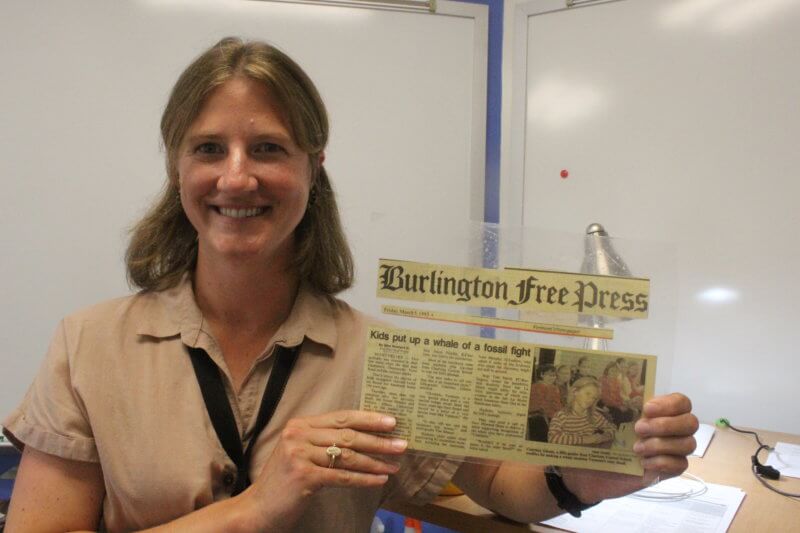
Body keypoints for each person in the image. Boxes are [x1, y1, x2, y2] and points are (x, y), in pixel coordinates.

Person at [2, 38, 698, 531]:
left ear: (314, 164)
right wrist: (254, 508)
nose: (236, 176)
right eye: (209, 147)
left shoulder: (381, 351)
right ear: (177, 165)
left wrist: (580, 480)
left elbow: (498, 485)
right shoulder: (88, 344)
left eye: (268, 148)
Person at [548, 377, 616, 447]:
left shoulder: (594, 415)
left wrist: (604, 437)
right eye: (588, 394)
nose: (590, 399)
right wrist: (586, 439)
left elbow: (612, 428)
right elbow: (552, 438)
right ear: (575, 392)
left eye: (593, 398)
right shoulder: (561, 415)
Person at [600, 361, 635, 426]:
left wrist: (622, 403)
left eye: (616, 371)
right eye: (612, 371)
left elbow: (618, 396)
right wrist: (619, 406)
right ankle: (616, 430)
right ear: (607, 371)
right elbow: (606, 398)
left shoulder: (616, 381)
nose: (614, 373)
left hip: (615, 404)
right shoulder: (603, 380)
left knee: (630, 412)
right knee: (619, 413)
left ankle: (622, 430)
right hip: (607, 405)